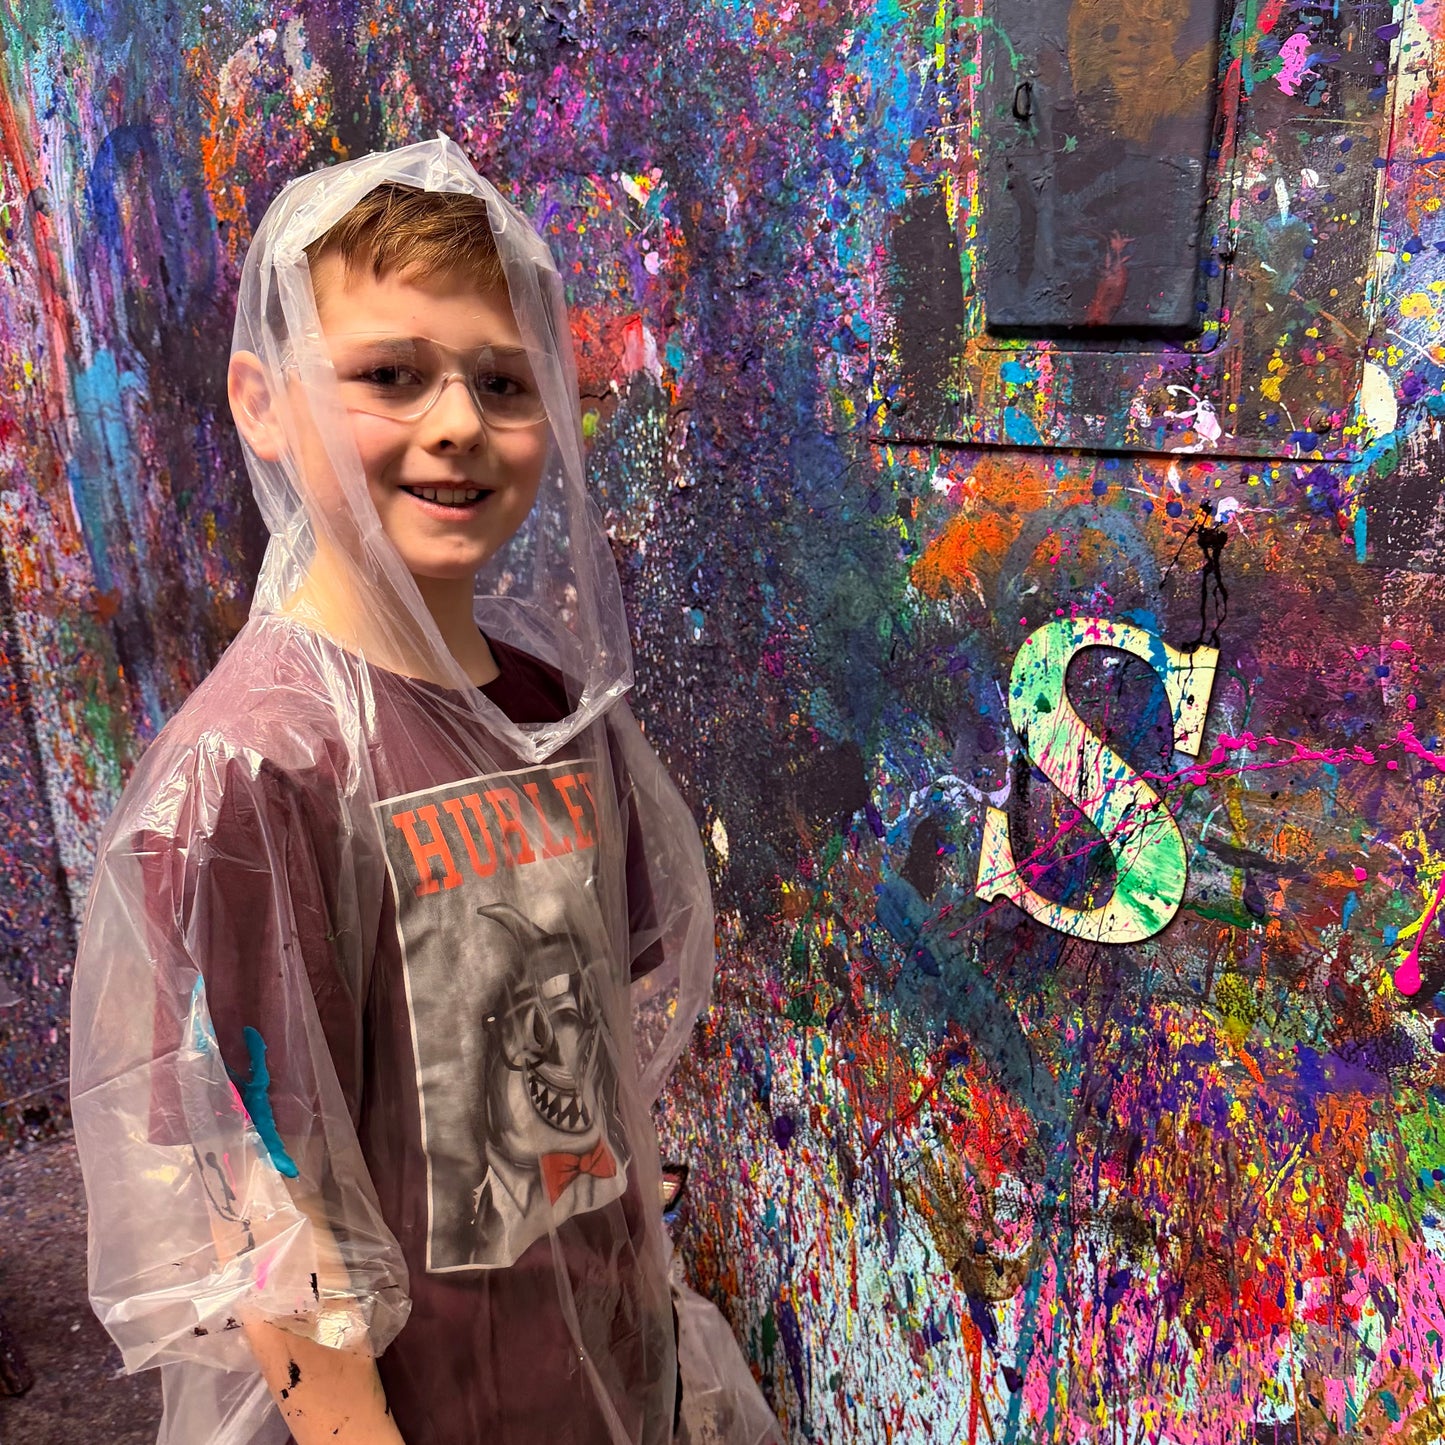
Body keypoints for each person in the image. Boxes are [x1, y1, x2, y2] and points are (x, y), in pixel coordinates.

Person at [68, 136, 734, 1445]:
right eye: (388, 375)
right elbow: (257, 1193)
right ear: (264, 402)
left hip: (592, 1368)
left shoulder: (555, 713)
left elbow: (591, 1054)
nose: (454, 424)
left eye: (502, 380)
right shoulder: (263, 767)